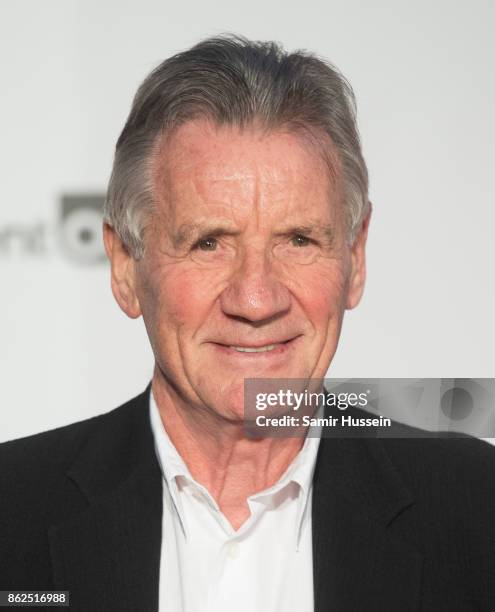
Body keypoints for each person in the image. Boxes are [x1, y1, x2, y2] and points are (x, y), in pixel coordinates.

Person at [1, 34, 495, 612]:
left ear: (355, 259)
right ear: (126, 267)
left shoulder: (478, 512)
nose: (256, 299)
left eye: (299, 239)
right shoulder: (10, 514)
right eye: (209, 243)